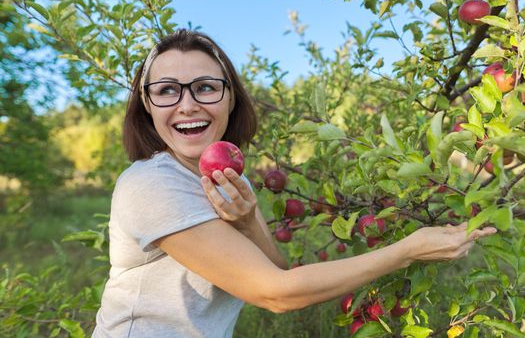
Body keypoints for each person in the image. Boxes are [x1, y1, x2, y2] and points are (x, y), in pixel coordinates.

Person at [92, 29, 497, 338]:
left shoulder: (225, 179)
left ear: (230, 98)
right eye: (166, 91)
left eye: (205, 87)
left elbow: (276, 269)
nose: (187, 103)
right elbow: (277, 293)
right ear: (146, 106)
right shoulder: (150, 184)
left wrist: (249, 220)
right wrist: (408, 250)